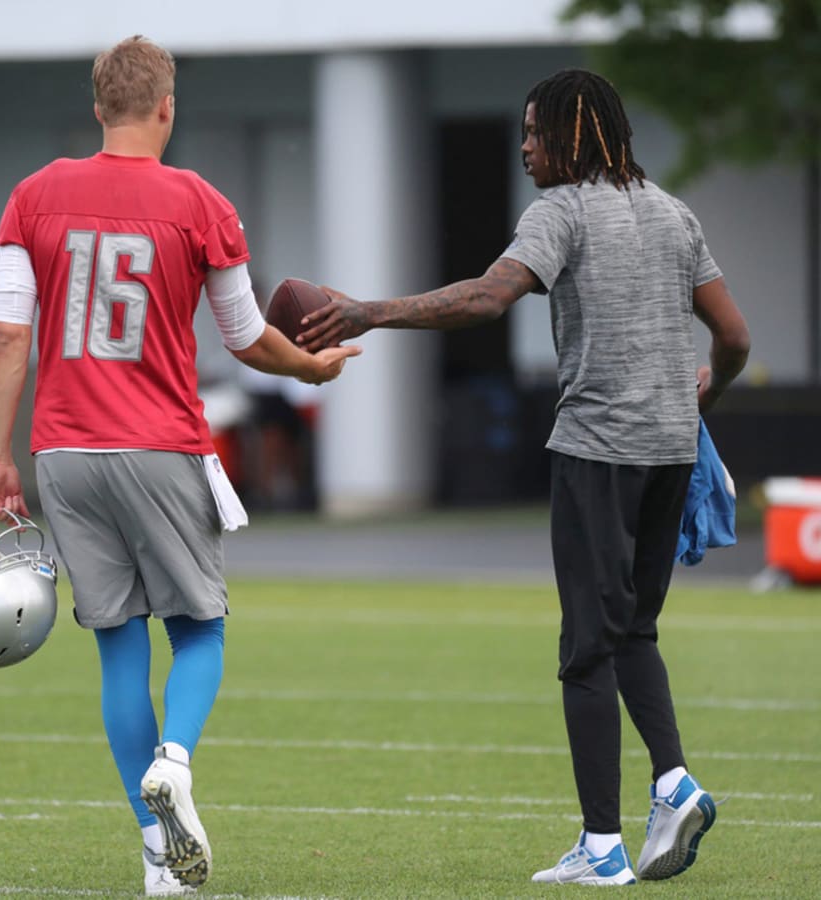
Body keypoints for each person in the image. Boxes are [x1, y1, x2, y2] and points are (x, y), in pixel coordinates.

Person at [298, 68, 750, 886]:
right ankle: (676, 783)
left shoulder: (562, 212)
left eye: (537, 131)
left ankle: (603, 848)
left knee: (585, 650)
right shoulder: (673, 214)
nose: (526, 146)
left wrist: (371, 311)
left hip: (597, 450)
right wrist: (704, 390)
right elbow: (736, 335)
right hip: (670, 451)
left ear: (576, 136)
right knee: (632, 630)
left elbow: (485, 298)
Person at [0, 35, 359, 897]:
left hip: (65, 451)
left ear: (97, 107)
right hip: (159, 443)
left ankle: (159, 859)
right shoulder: (198, 200)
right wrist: (313, 368)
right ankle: (176, 762)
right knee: (199, 632)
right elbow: (243, 333)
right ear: (166, 108)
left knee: (118, 650)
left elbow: (11, 332)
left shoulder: (31, 196)